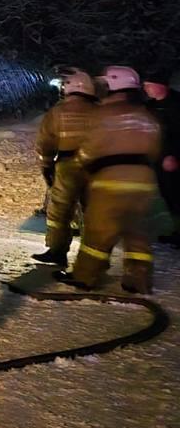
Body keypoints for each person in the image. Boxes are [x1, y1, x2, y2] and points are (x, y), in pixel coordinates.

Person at [59, 66, 162, 294]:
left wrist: (77, 167)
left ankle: (85, 276)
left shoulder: (102, 114)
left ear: (112, 86)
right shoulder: (147, 115)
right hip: (144, 182)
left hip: (111, 181)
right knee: (137, 232)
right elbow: (155, 150)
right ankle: (138, 279)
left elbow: (88, 149)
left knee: (98, 231)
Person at [31, 70, 98, 268]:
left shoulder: (58, 111)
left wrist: (47, 165)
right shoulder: (100, 110)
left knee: (60, 209)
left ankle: (57, 251)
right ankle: (92, 257)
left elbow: (45, 141)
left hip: (68, 165)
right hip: (95, 165)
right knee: (92, 211)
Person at [144, 68, 180, 245]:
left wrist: (174, 155)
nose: (146, 89)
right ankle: (177, 230)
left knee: (177, 194)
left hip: (173, 160)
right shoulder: (150, 106)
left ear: (160, 86)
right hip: (158, 158)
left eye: (149, 85)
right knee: (168, 195)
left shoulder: (176, 104)